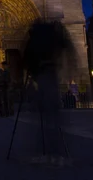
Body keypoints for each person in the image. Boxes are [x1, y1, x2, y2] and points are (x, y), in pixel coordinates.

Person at [23, 19, 74, 165]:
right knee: (53, 115)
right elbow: (67, 48)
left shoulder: (35, 40)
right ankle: (56, 150)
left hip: (41, 76)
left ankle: (46, 150)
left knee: (44, 116)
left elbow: (26, 58)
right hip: (52, 75)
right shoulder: (53, 37)